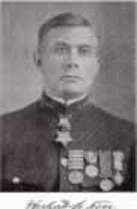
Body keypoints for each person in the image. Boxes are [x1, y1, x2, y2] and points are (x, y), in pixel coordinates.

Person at [0, 12, 135, 192]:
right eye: (61, 50)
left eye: (84, 51)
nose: (72, 62)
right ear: (38, 59)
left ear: (97, 64)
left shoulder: (128, 136)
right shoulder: (5, 130)